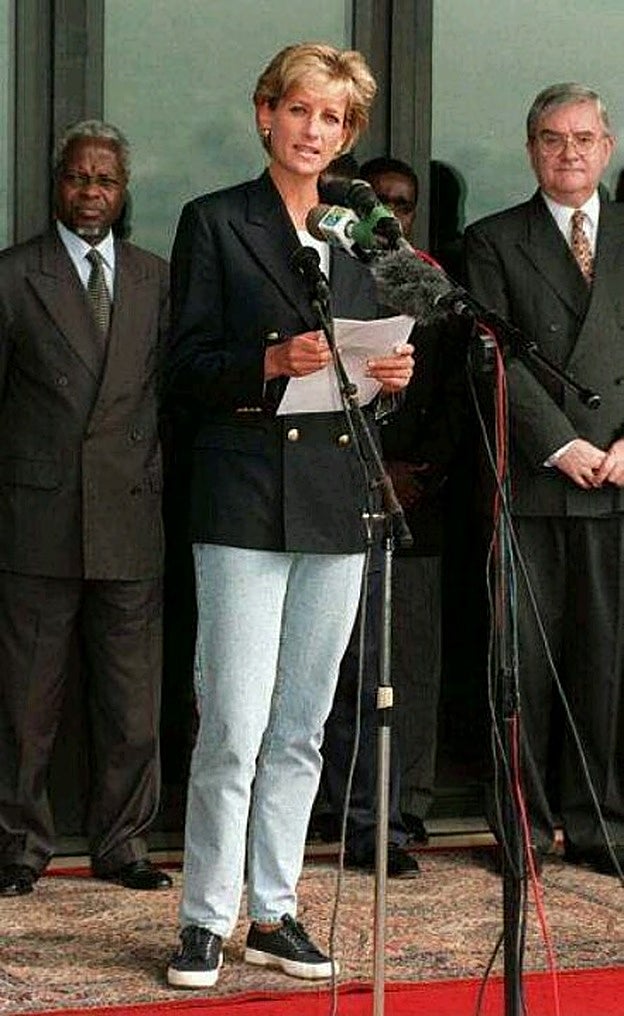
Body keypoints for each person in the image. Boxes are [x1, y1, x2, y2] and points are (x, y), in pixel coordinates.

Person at [164, 42, 413, 989]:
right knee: (231, 721)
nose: (317, 132)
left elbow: (367, 372)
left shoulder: (361, 234)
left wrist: (388, 380)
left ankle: (273, 910)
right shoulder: (216, 221)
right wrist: (269, 364)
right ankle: (203, 919)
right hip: (241, 498)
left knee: (303, 724)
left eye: (335, 120)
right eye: (302, 111)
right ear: (266, 112)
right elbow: (181, 372)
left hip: (336, 500)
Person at [0, 120, 171, 896]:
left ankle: (124, 843)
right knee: (24, 703)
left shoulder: (153, 277)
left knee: (131, 701)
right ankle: (18, 847)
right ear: (56, 183)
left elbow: (169, 399)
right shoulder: (12, 276)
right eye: (77, 178)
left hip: (129, 513)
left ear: (123, 188)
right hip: (36, 518)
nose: (91, 193)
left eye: (104, 180)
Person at [464, 83, 624, 875]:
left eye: (585, 138)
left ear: (609, 145)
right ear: (532, 148)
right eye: (554, 139)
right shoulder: (492, 240)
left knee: (606, 665)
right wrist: (560, 443)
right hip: (532, 482)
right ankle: (518, 828)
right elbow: (490, 351)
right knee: (520, 666)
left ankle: (600, 826)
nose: (571, 153)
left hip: (618, 484)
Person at [320, 157, 468, 875]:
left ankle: (400, 817)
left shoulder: (425, 282)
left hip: (415, 507)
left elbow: (453, 401)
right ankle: (345, 814)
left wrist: (417, 476)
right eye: (379, 200)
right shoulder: (327, 270)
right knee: (339, 670)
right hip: (333, 494)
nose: (392, 212)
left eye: (403, 203)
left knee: (405, 669)